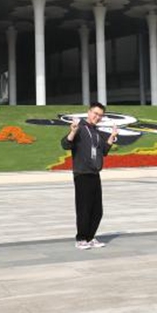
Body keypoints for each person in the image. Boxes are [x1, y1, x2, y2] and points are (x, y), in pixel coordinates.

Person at [62, 101, 118, 250]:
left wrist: (111, 138)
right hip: (82, 174)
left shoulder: (96, 132)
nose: (97, 117)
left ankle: (90, 237)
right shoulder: (79, 128)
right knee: (84, 208)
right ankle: (81, 238)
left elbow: (103, 151)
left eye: (100, 115)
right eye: (95, 113)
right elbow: (65, 144)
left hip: (94, 174)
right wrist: (73, 131)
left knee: (97, 210)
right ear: (89, 112)